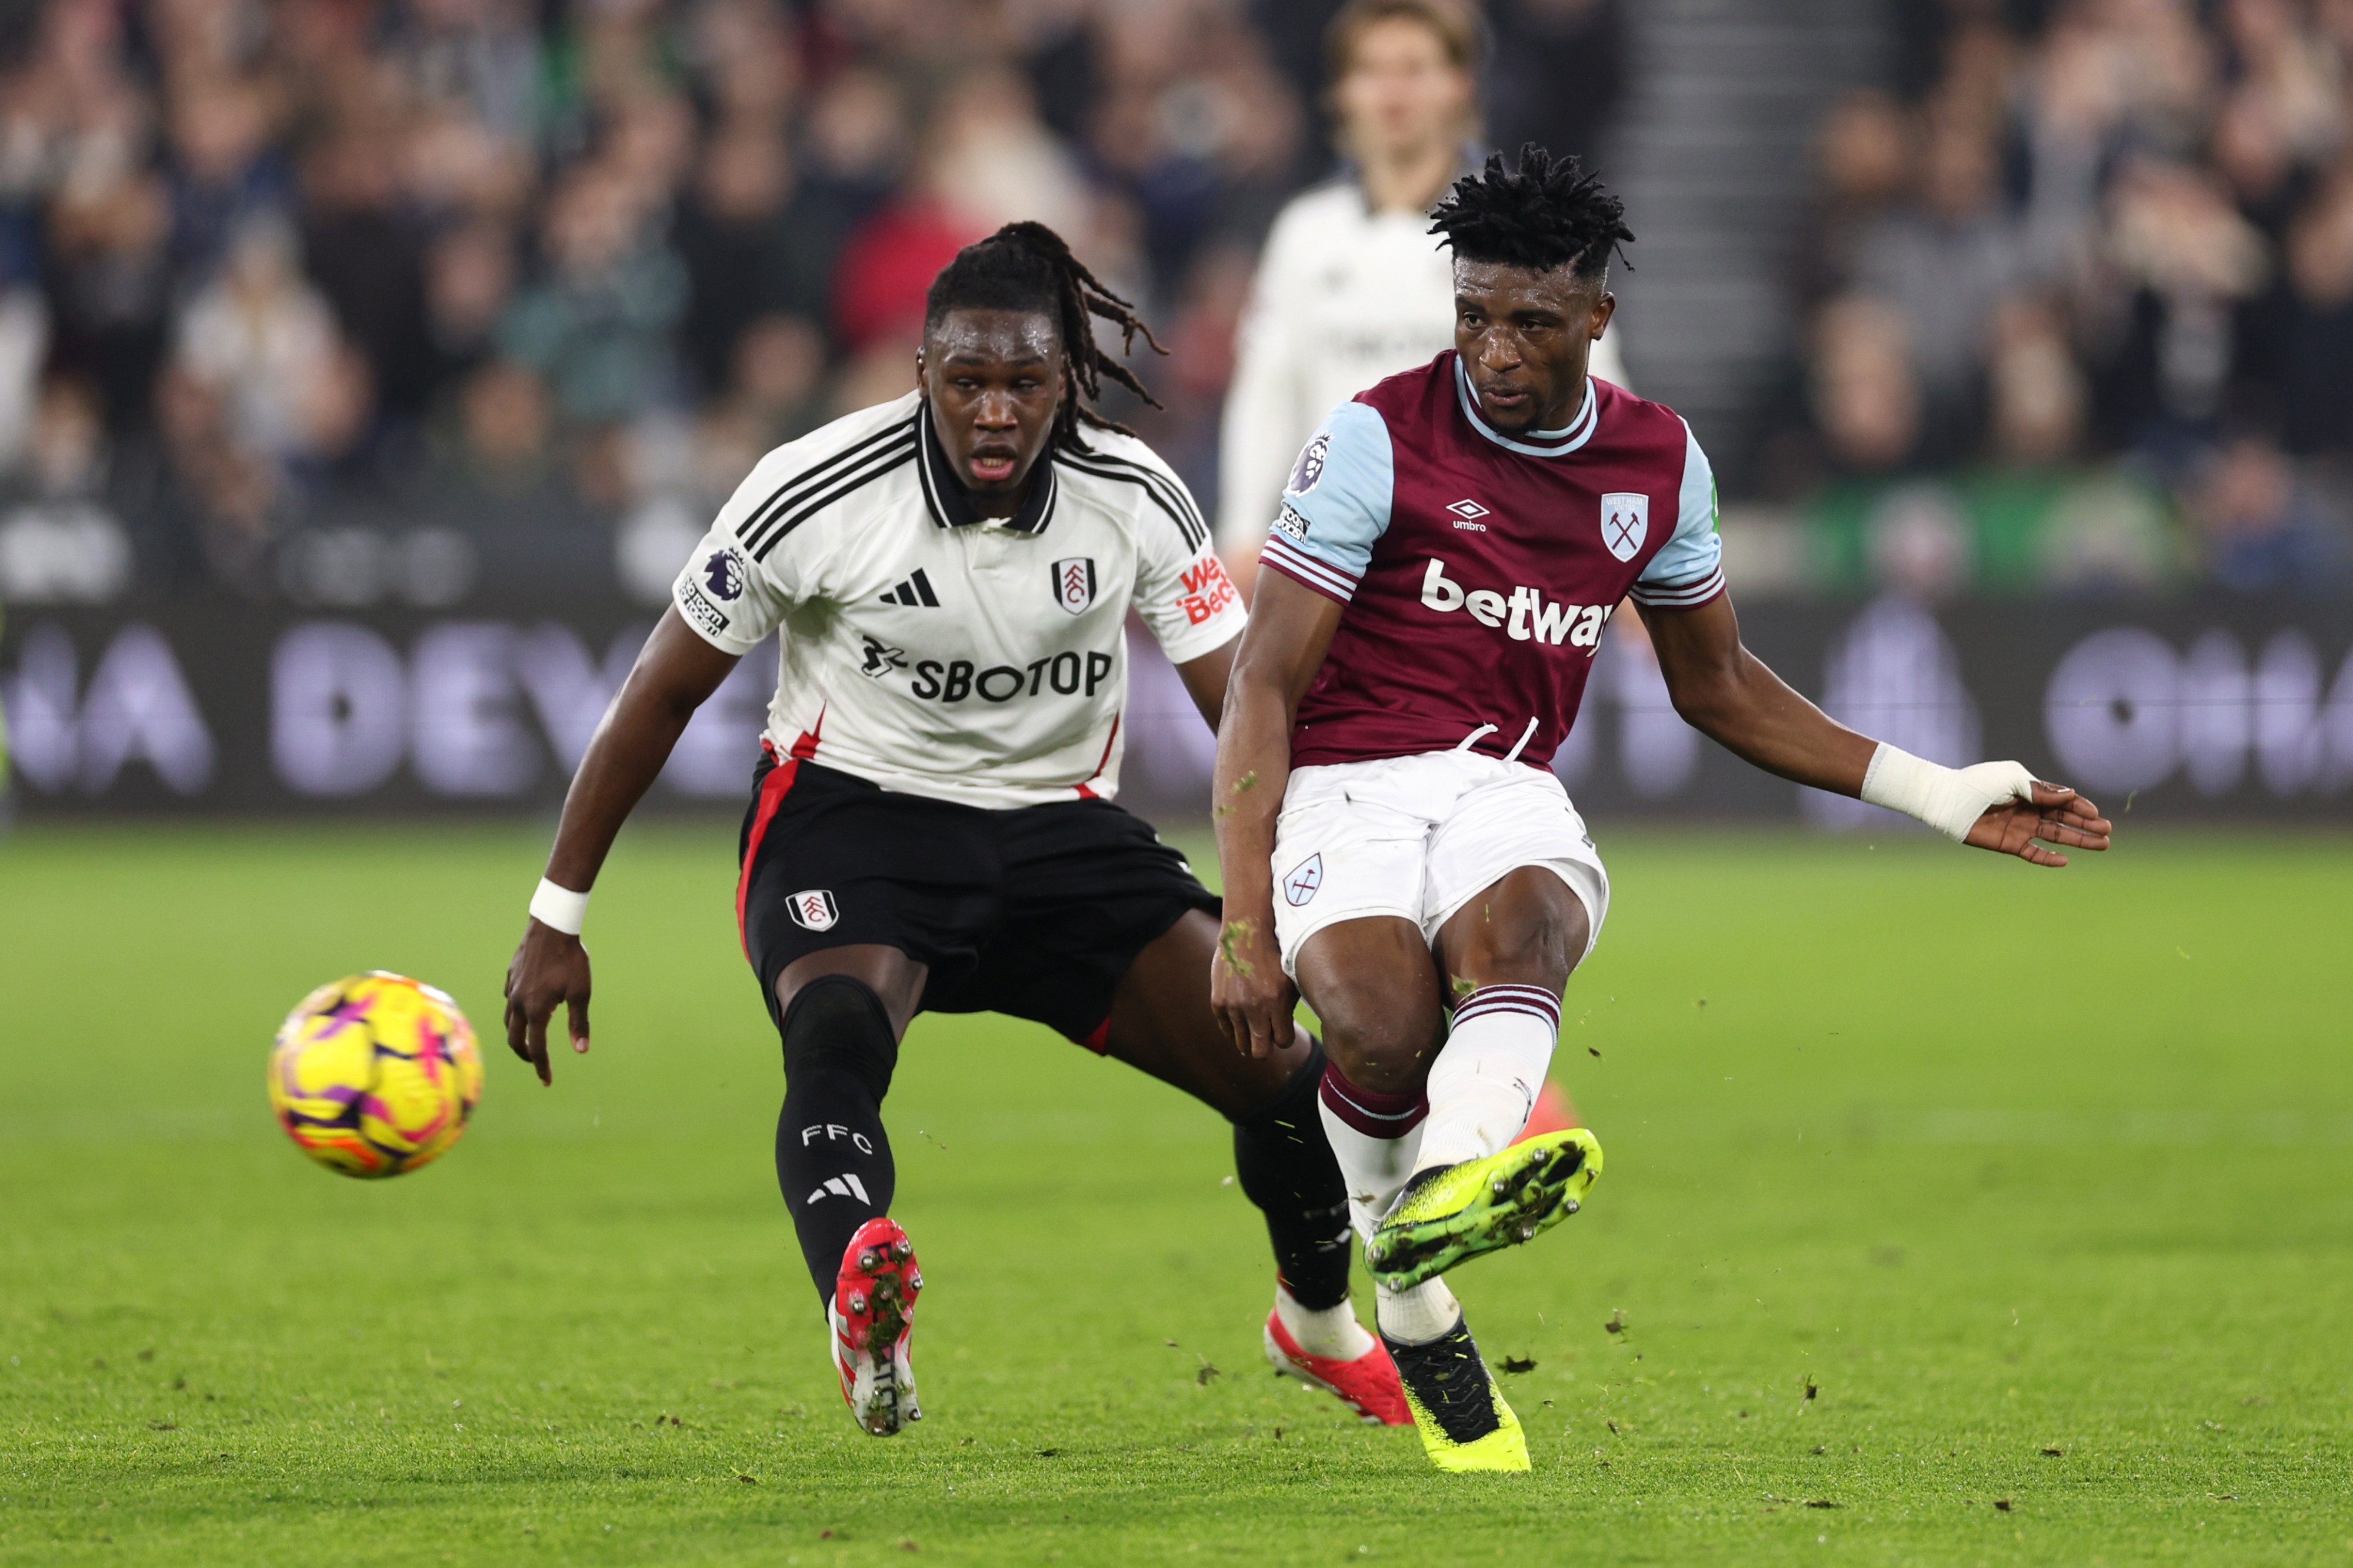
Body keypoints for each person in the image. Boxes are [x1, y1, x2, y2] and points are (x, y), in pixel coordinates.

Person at [1208, 148, 2114, 1473]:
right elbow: (1259, 686)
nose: (1493, 351)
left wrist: (1931, 790)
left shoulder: (1655, 463)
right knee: (1381, 1031)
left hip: (1503, 785)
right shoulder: (1372, 435)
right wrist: (1243, 915)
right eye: (1471, 316)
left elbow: (1718, 685)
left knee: (1525, 930)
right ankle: (1406, 1286)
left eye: (1526, 321)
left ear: (1594, 321)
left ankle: (1436, 1208)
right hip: (1346, 781)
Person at [501, 223, 1409, 1439]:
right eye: (965, 380)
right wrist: (556, 916)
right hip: (852, 817)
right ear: (920, 371)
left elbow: (1239, 708)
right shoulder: (812, 486)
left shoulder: (1133, 494)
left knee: (1281, 1075)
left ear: (1064, 381)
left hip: (1056, 830)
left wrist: (1311, 898)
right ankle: (857, 1293)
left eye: (1022, 383)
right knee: (833, 1037)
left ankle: (1317, 1322)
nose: (992, 412)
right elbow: (660, 692)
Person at [1217, 0, 1628, 598]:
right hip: (1339, 566)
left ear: (1461, 85)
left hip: (1491, 569)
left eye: (1414, 68)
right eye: (1372, 70)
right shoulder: (1306, 234)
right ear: (1342, 92)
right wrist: (1242, 529)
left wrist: (1633, 547)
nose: (1393, 91)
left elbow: (1597, 389)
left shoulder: (1527, 229)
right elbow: (1267, 392)